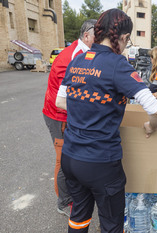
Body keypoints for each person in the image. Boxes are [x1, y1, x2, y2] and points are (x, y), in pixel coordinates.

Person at [56, 9, 157, 233]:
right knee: (112, 224)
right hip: (100, 162)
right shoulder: (117, 65)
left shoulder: (77, 60)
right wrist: (150, 126)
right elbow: (154, 107)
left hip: (71, 157)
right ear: (123, 38)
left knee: (79, 217)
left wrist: (87, 109)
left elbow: (60, 101)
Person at [42, 19, 97, 217]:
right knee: (64, 159)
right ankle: (64, 202)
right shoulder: (74, 57)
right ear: (86, 36)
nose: (100, 41)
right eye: (96, 37)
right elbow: (70, 96)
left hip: (68, 113)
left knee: (73, 157)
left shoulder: (85, 53)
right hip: (59, 115)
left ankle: (75, 193)